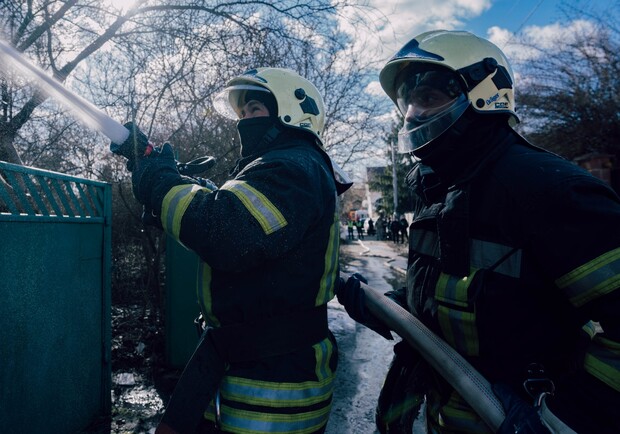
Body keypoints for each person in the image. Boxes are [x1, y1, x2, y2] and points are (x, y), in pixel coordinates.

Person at [339, 30, 620, 433]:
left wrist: (570, 415)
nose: (412, 115)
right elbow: (462, 296)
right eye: (408, 102)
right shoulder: (440, 188)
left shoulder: (548, 190)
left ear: (485, 94)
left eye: (429, 98)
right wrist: (387, 305)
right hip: (440, 415)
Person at [113, 67, 351, 434]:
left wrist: (160, 183)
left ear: (291, 112)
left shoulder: (292, 168)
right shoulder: (281, 168)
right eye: (242, 114)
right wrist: (168, 178)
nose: (245, 122)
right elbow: (229, 212)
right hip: (250, 367)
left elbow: (226, 233)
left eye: (253, 110)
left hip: (273, 391)